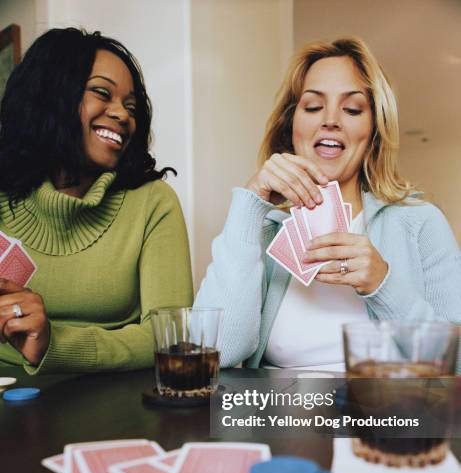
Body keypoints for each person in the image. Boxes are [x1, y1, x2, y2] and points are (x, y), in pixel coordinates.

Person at [195, 37, 461, 371]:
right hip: (278, 414)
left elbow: (455, 366)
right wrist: (251, 203)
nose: (331, 119)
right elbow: (213, 353)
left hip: (386, 415)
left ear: (373, 132)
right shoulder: (263, 231)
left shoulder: (420, 222)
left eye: (352, 109)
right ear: (291, 126)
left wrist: (383, 283)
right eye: (312, 107)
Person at [0, 28, 192, 372]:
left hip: (112, 396)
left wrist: (53, 343)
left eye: (131, 106)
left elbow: (170, 337)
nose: (122, 115)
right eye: (102, 93)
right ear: (50, 96)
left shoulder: (153, 203)